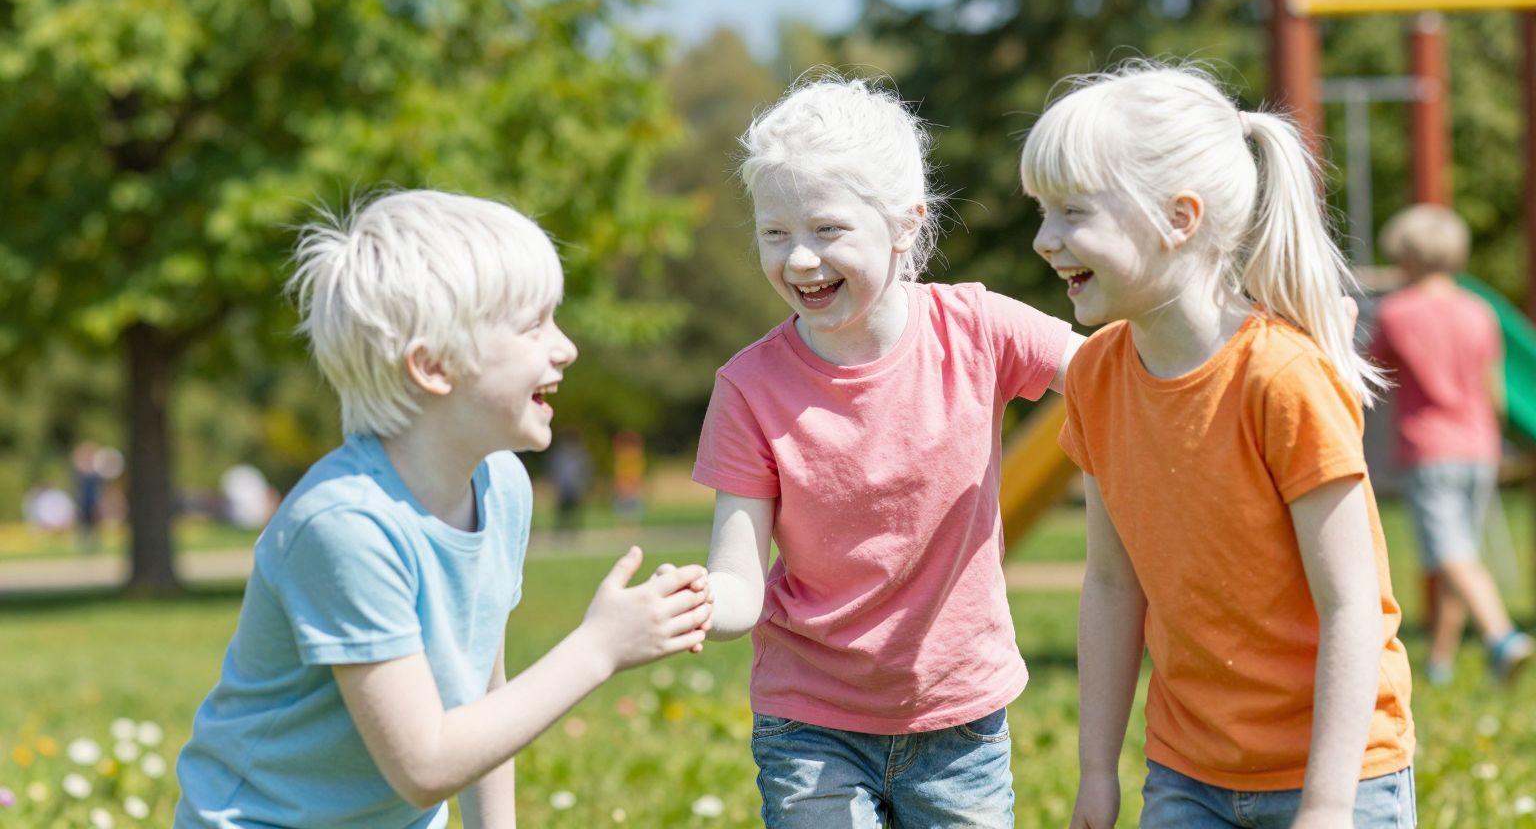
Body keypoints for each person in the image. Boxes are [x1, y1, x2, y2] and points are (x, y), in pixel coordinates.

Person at [174, 190, 713, 829]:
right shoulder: (346, 526)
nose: (565, 347)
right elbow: (425, 766)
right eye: (533, 326)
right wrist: (599, 647)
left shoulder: (502, 485)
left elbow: (483, 689)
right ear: (432, 366)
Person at [1021, 62, 1415, 829]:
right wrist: (1096, 772)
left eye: (1073, 212)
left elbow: (1352, 605)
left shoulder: (1280, 378)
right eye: (1042, 211)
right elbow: (1110, 584)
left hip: (1335, 773)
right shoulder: (1095, 377)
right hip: (1187, 774)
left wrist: (1327, 804)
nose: (1044, 239)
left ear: (1179, 218)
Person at [697, 77, 1080, 828]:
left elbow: (1112, 374)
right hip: (810, 724)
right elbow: (737, 579)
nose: (799, 259)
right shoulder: (748, 387)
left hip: (960, 720)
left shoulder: (977, 328)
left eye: (827, 229)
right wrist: (699, 602)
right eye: (774, 233)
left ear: (905, 225)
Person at [1370, 203, 1534, 686]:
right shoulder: (1480, 311)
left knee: (1450, 555)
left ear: (1405, 258)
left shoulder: (1397, 312)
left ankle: (1502, 637)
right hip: (1479, 445)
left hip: (1429, 448)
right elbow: (1494, 392)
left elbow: (1369, 371)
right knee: (1458, 554)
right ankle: (1440, 664)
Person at [545, 430, 591, 538]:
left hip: (576, 488)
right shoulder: (559, 456)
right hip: (563, 488)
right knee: (561, 513)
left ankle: (575, 533)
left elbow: (586, 471)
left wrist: (583, 484)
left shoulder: (580, 455)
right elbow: (553, 471)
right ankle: (559, 533)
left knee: (576, 513)